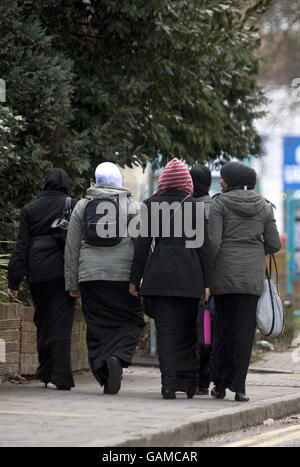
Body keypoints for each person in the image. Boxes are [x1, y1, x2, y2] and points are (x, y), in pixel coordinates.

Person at [129, 158, 212, 400]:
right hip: (190, 278)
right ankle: (187, 383)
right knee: (188, 333)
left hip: (159, 278)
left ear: (163, 181)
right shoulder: (196, 207)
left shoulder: (151, 206)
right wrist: (208, 282)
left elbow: (142, 247)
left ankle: (168, 385)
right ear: (186, 183)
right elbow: (204, 249)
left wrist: (134, 279)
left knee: (166, 333)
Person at [64, 162, 145, 395]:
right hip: (122, 276)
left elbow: (72, 246)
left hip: (91, 276)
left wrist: (72, 282)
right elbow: (142, 246)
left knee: (97, 325)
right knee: (132, 320)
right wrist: (139, 279)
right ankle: (117, 357)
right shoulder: (132, 206)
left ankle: (103, 368)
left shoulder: (83, 205)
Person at [208, 161, 282, 402]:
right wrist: (254, 245)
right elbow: (274, 244)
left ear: (231, 180)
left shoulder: (219, 203)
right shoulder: (263, 206)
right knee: (244, 331)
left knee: (222, 329)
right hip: (251, 277)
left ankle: (219, 385)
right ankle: (239, 387)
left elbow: (213, 242)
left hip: (224, 276)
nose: (220, 181)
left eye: (223, 177)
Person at [8, 168, 77, 390]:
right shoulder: (72, 205)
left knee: (43, 321)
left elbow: (21, 247)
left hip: (38, 271)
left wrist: (14, 280)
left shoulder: (30, 209)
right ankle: (62, 376)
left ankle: (45, 373)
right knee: (62, 322)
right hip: (64, 268)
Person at [190, 164, 214, 396]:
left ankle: (189, 377)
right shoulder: (215, 208)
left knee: (187, 327)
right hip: (211, 280)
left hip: (186, 277)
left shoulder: (181, 208)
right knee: (206, 328)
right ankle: (204, 380)